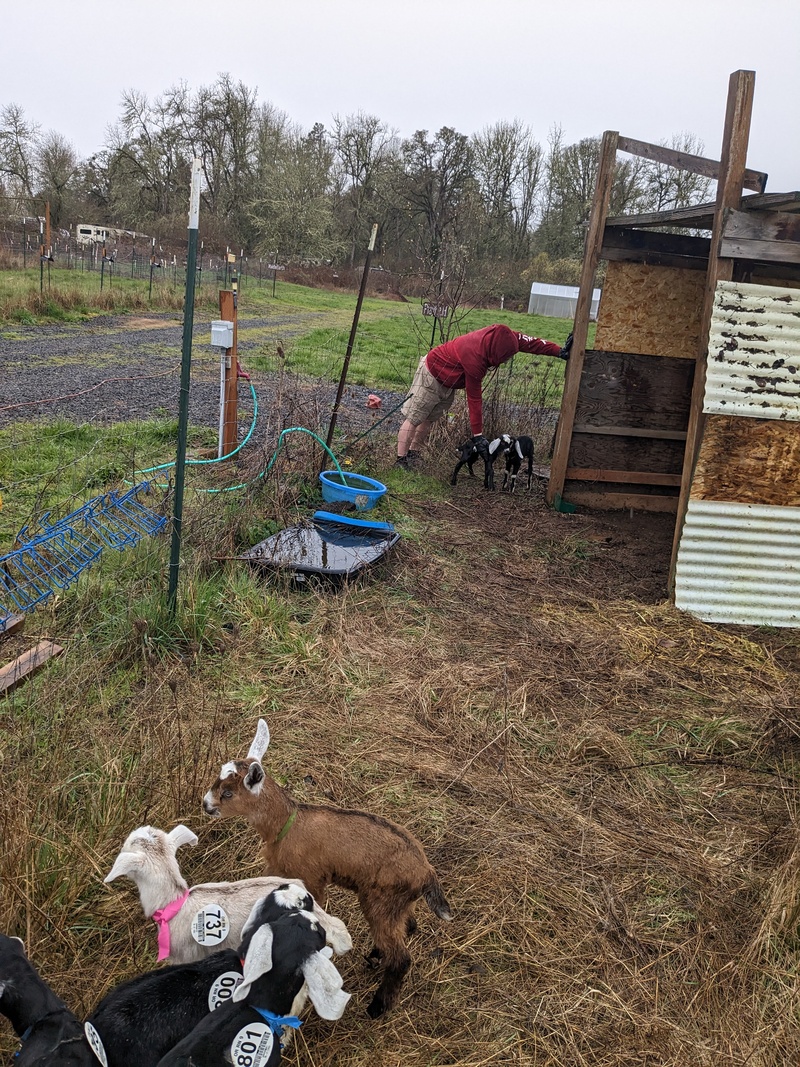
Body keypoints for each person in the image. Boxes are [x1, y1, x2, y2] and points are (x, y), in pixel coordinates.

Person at [395, 323, 572, 467]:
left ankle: (413, 454)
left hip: (448, 380)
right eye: (503, 359)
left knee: (428, 419)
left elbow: (532, 342)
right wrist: (478, 435)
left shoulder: (506, 337)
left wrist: (558, 351)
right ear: (494, 353)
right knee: (415, 417)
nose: (505, 362)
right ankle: (400, 460)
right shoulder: (475, 357)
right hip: (432, 374)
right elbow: (474, 399)